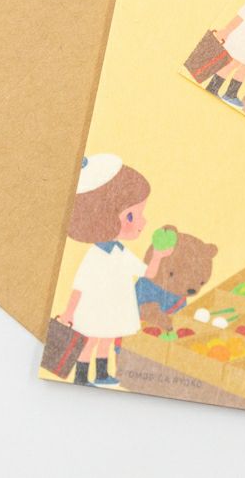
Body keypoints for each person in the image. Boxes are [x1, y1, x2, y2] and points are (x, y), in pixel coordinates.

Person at [58, 154, 170, 386]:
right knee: (90, 340)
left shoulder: (121, 252)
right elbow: (79, 286)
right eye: (131, 216)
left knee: (107, 339)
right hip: (94, 308)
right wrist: (68, 312)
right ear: (103, 218)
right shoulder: (95, 256)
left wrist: (158, 256)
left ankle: (101, 374)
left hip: (113, 308)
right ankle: (81, 377)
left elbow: (147, 273)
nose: (142, 222)